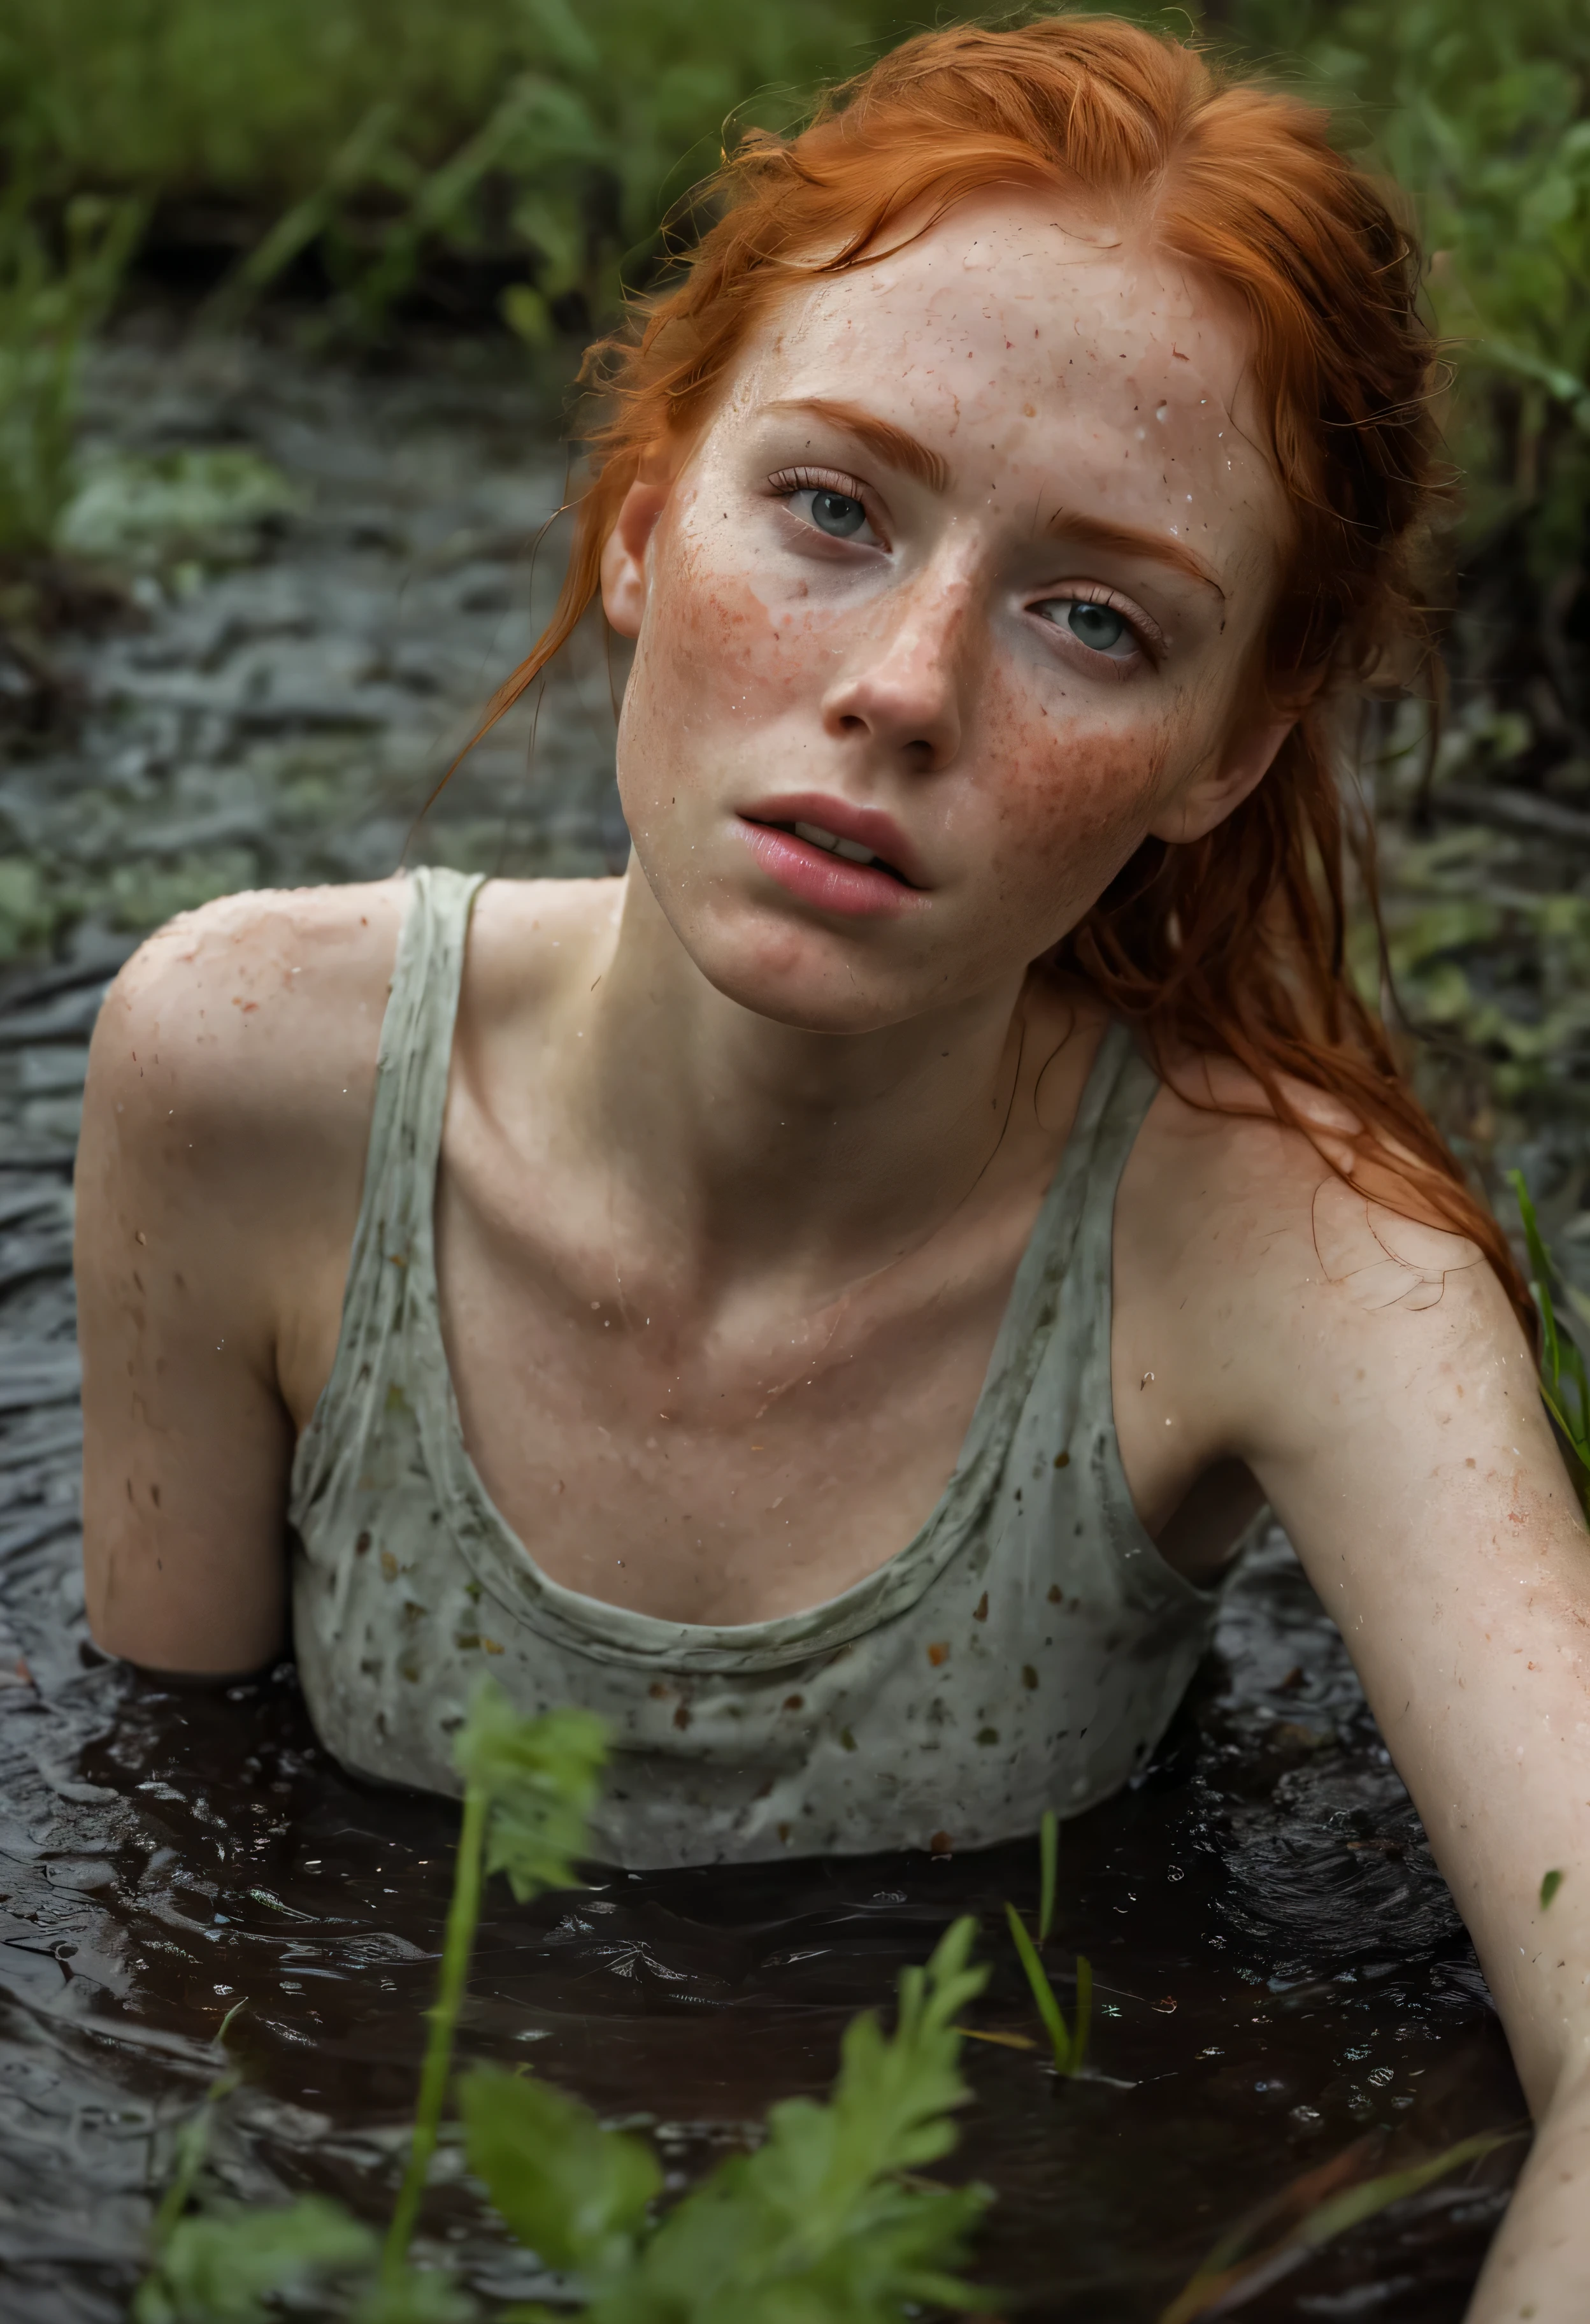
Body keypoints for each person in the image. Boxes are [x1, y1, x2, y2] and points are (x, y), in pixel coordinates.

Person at [76, 17, 1586, 2313]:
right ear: (638, 518)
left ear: (1226, 747)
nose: (900, 682)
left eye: (1095, 618)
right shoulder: (248, 1078)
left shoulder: (1291, 1254)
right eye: (834, 507)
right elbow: (165, 1857)